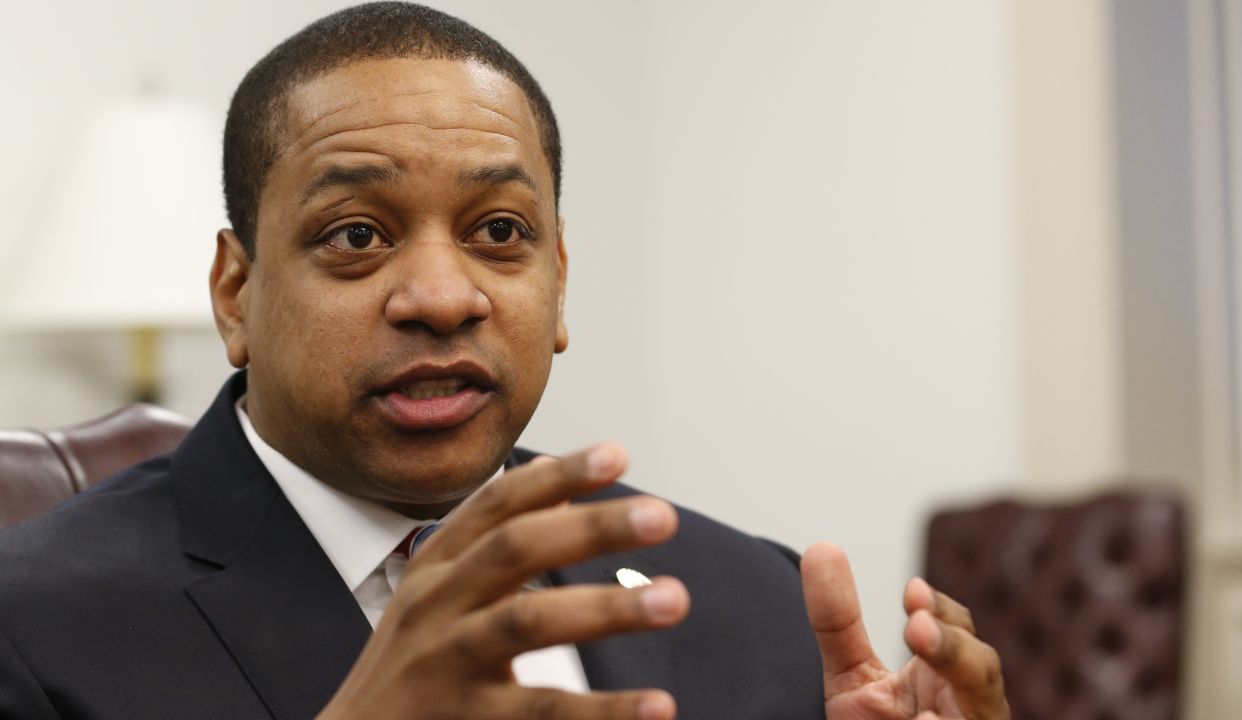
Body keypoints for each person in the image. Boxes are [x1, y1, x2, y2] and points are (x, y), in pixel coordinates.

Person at [0, 4, 1010, 719]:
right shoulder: (31, 631)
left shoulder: (752, 602)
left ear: (558, 282)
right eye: (355, 235)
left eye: (496, 230)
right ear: (236, 293)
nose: (443, 297)